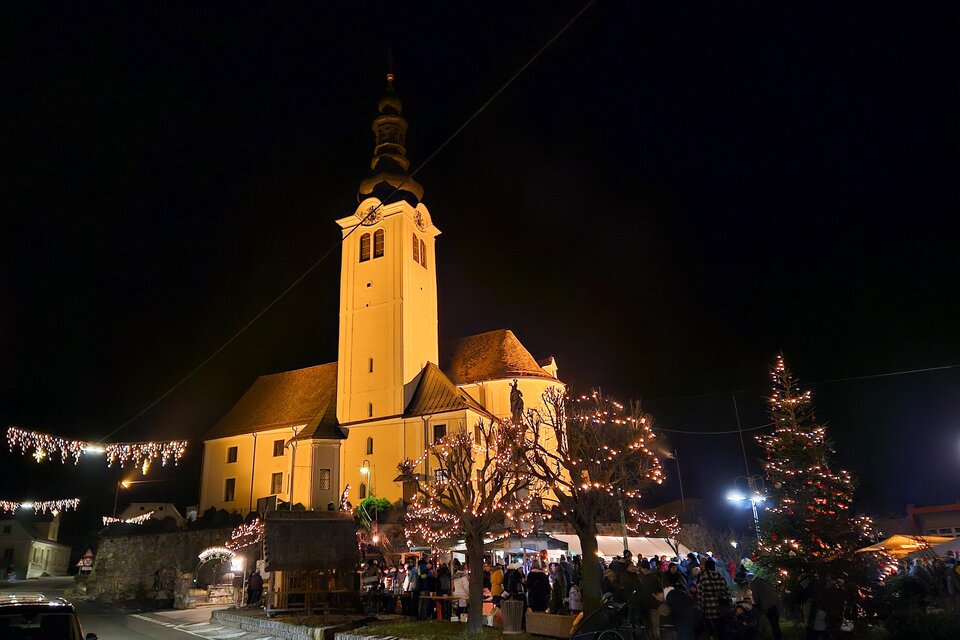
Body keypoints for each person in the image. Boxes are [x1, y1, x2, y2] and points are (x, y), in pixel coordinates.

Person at [697, 558, 731, 639]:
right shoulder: (721, 577)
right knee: (721, 630)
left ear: (706, 567)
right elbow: (727, 592)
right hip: (721, 609)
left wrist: (700, 609)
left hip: (709, 609)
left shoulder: (703, 578)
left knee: (712, 631)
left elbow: (700, 596)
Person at [636, 560, 665, 639]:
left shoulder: (641, 578)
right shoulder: (655, 577)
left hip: (647, 605)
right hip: (654, 604)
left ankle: (650, 637)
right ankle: (656, 637)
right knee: (655, 625)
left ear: (643, 568)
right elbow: (660, 590)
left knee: (648, 625)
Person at [749, 575, 782, 640]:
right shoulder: (763, 582)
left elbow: (756, 598)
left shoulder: (754, 584)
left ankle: (776, 637)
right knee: (775, 624)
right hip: (775, 603)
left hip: (767, 606)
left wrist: (756, 605)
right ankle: (778, 636)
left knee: (772, 624)